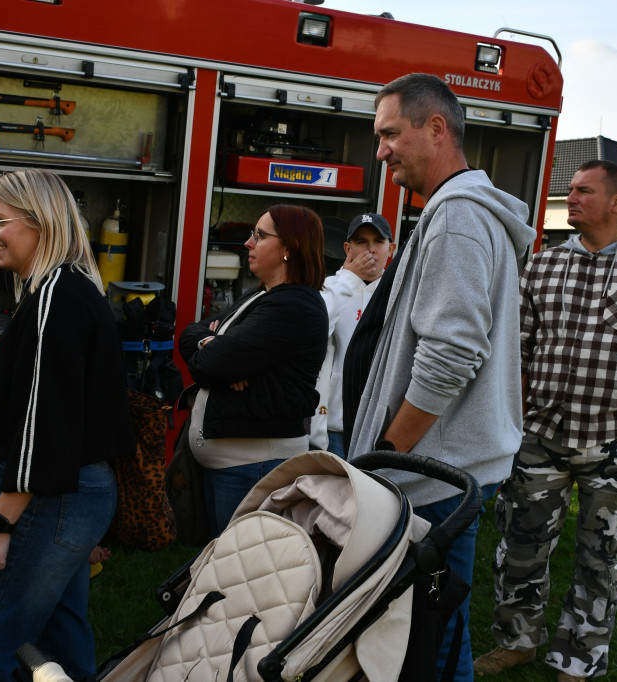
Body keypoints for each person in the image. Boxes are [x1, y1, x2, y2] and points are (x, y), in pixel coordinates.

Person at [345, 73, 536, 681]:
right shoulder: (461, 214)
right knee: (437, 635)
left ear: (436, 128)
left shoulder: (456, 217)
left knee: (428, 646)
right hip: (447, 474)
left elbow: (451, 354)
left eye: (390, 134)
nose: (380, 151)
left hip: (430, 480)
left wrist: (387, 455)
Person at [473, 160, 617, 681]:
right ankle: (517, 641)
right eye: (569, 191)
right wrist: (518, 420)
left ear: (616, 203)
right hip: (539, 439)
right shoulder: (543, 265)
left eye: (583, 191)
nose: (570, 199)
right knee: (520, 547)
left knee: (601, 559)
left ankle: (579, 657)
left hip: (612, 445)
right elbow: (518, 350)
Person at [0, 169, 135, 681]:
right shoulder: (63, 289)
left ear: (41, 221)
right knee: (57, 644)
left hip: (49, 500)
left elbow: (43, 424)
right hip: (68, 499)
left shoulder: (56, 295)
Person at [179, 204, 328, 536]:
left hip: (254, 469)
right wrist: (211, 343)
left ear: (290, 248)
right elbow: (190, 334)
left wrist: (218, 353)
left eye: (259, 236)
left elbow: (214, 365)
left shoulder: (294, 306)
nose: (248, 243)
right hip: (235, 468)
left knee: (240, 573)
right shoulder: (260, 296)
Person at [310, 212, 395, 457]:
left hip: (378, 428)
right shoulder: (328, 287)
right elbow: (314, 331)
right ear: (347, 248)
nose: (370, 251)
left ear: (391, 249)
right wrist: (349, 279)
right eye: (361, 242)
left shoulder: (399, 294)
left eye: (378, 242)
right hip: (332, 427)